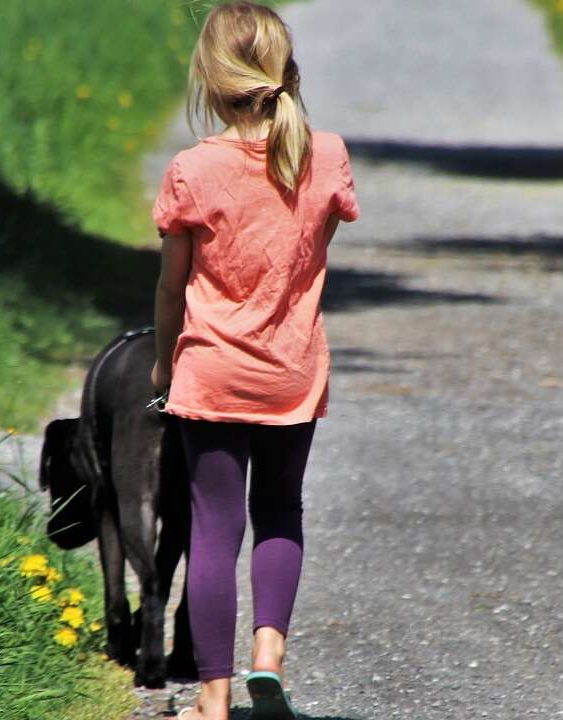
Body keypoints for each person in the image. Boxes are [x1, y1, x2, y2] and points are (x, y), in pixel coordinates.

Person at [148, 3, 360, 719]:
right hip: (292, 369)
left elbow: (171, 286)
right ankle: (268, 653)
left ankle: (212, 701)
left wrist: (159, 364)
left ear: (209, 78)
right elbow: (310, 247)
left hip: (211, 370)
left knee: (215, 527)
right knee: (279, 510)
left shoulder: (194, 169)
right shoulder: (325, 155)